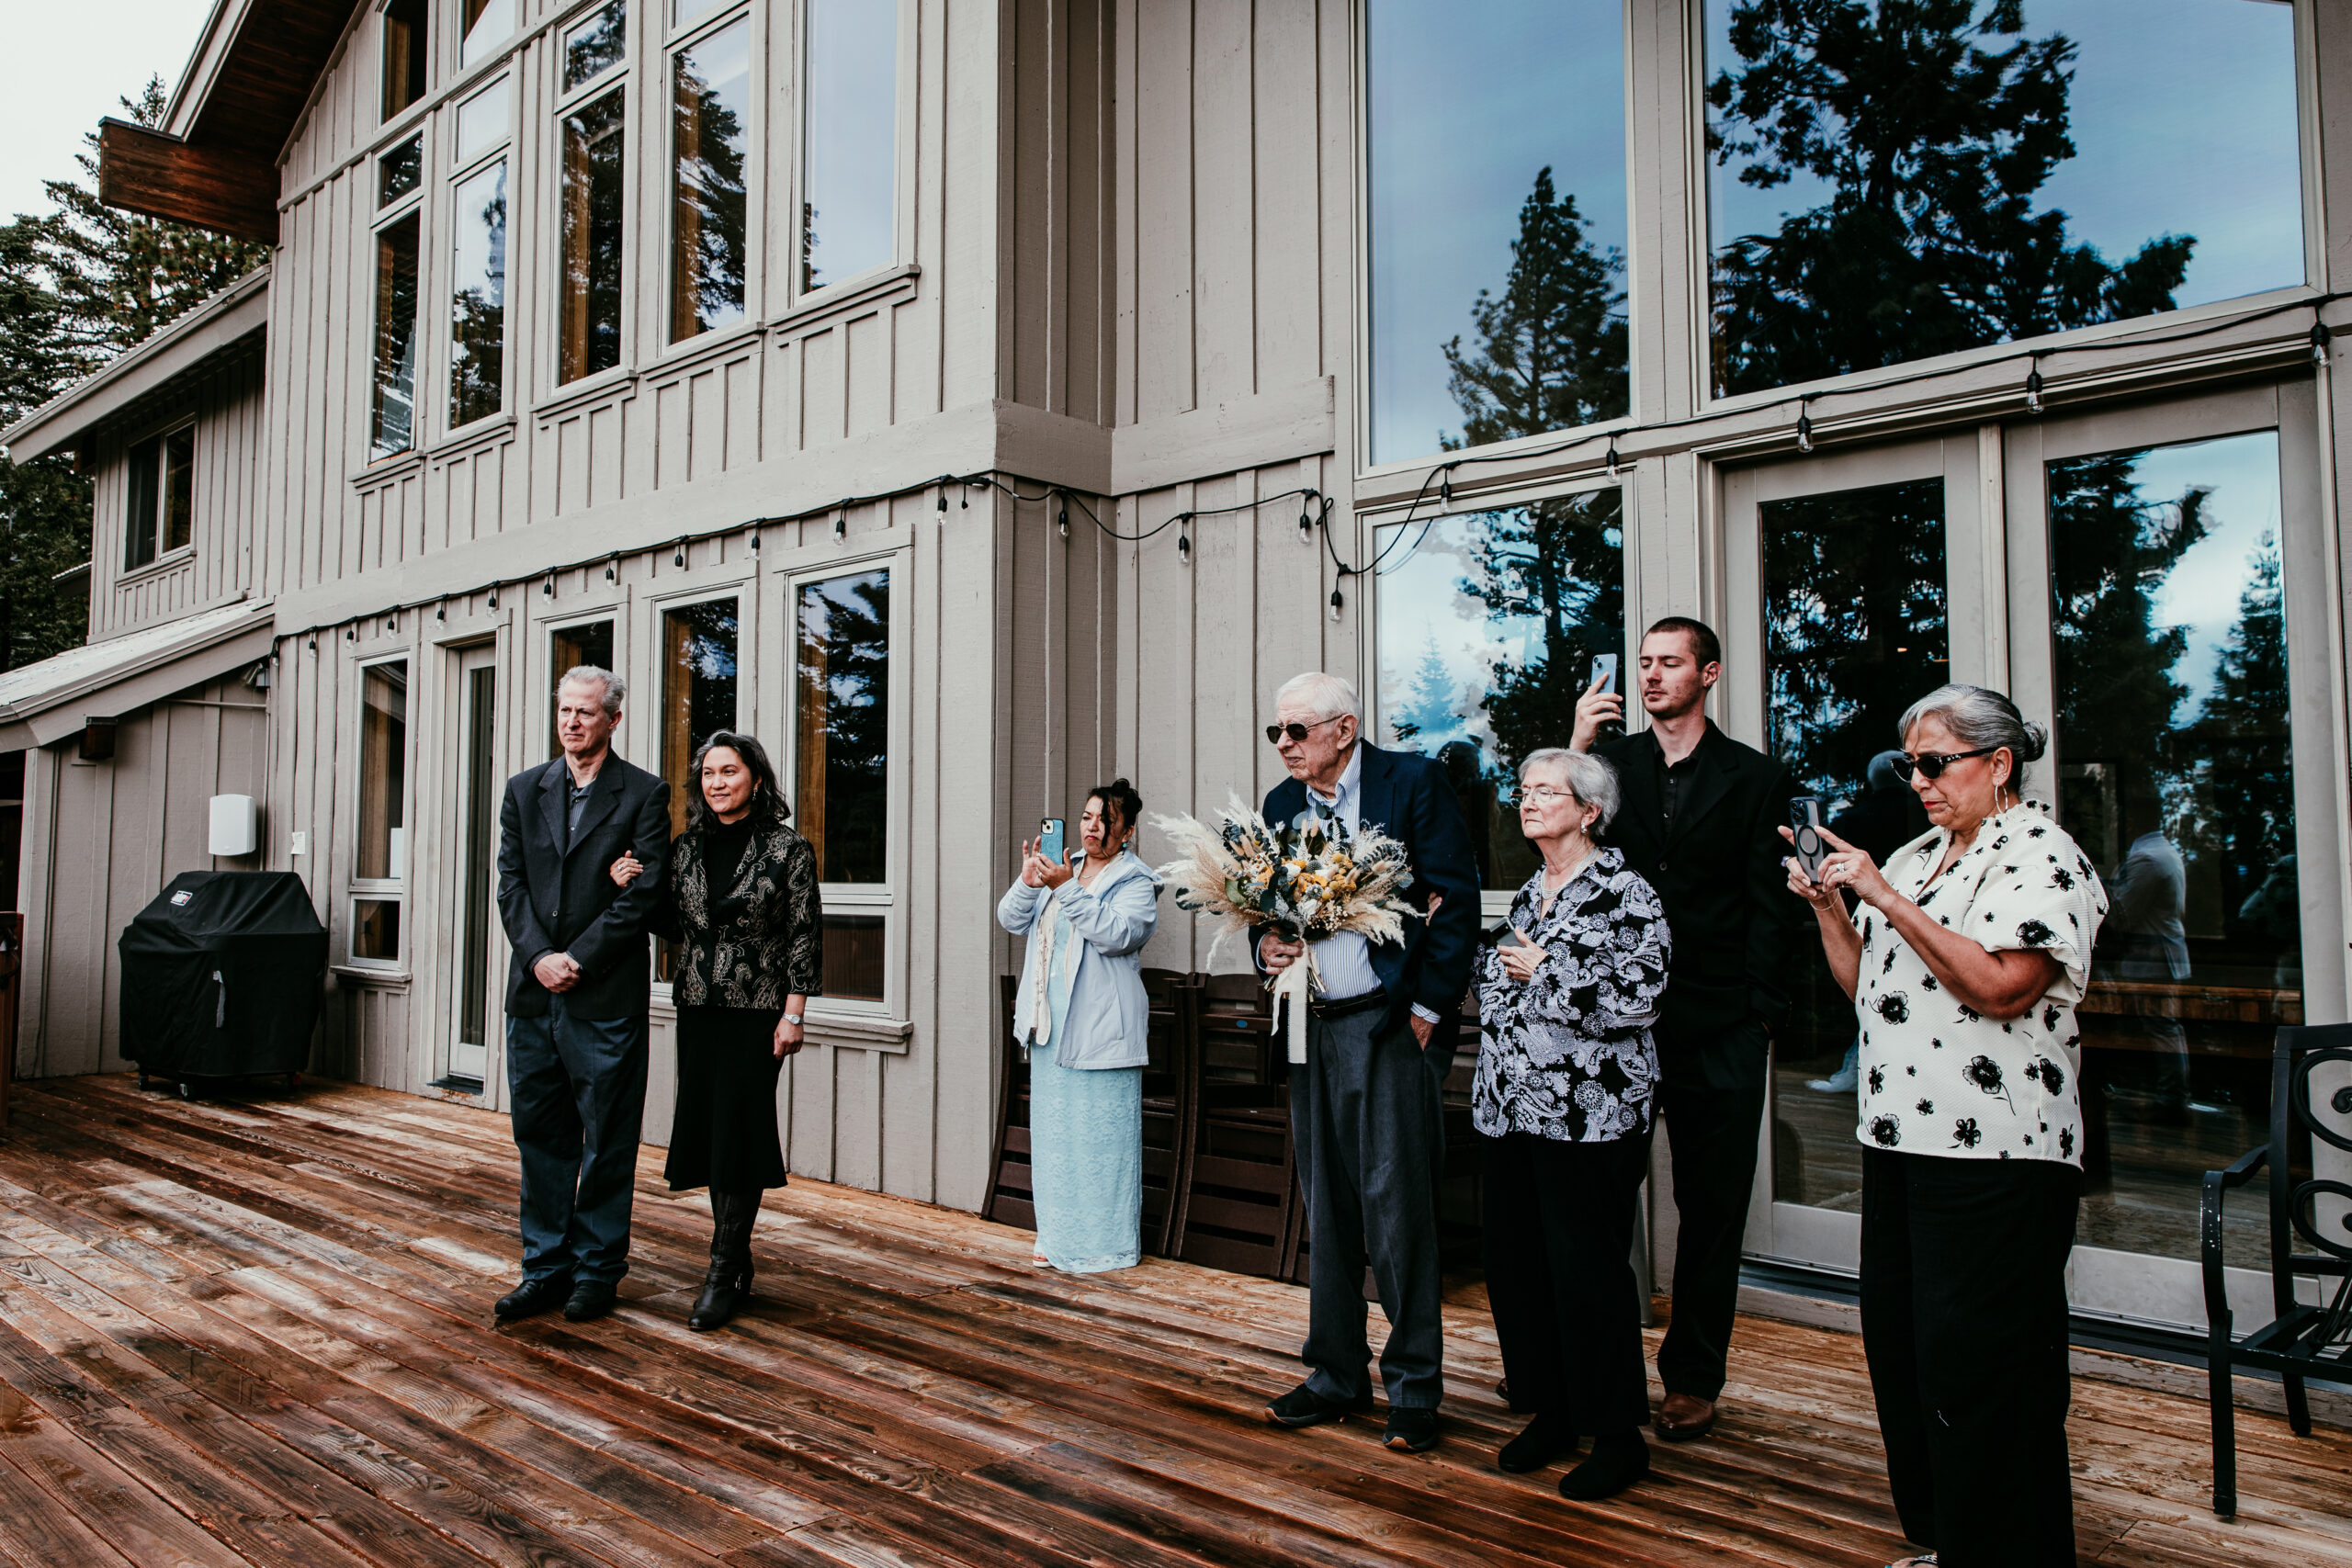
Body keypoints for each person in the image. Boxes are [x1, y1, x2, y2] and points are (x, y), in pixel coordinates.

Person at [1785, 684, 2107, 1568]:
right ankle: (1952, 1539)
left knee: (1986, 1368)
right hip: (1899, 1141)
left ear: (1998, 764)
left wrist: (1884, 895)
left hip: (1998, 1153)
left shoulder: (2041, 853)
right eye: (1909, 765)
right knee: (1910, 1356)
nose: (1919, 781)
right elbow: (1871, 993)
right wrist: (1830, 906)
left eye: (1936, 763)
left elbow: (2003, 986)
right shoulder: (1922, 853)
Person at [1570, 616, 1792, 1442]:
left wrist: (1760, 1016)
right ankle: (1598, 1365)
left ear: (1711, 674)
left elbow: (1772, 907)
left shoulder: (1756, 777)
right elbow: (1562, 845)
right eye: (1647, 663)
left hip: (1720, 1025)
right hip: (1620, 1028)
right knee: (1597, 1195)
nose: (1654, 676)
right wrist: (1577, 743)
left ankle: (1694, 1375)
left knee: (1711, 1208)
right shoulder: (1612, 767)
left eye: (1671, 663)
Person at [1257, 671, 1480, 1453]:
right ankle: (1335, 1373)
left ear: (1344, 730)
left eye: (1296, 730)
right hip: (1308, 1027)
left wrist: (1425, 1014)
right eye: (1276, 732)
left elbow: (1457, 901)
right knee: (1330, 1204)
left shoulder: (1411, 785)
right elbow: (1273, 913)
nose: (1283, 744)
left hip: (1389, 1029)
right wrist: (1268, 945)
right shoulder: (1282, 807)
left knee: (1399, 1210)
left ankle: (1414, 1386)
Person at [1476, 748, 1669, 1502]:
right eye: (1523, 791)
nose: (1527, 802)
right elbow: (1497, 976)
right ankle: (1553, 1410)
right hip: (1512, 1109)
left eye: (1545, 792)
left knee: (1587, 1272)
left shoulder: (1627, 892)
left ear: (1589, 810)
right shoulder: (1531, 889)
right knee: (1518, 1266)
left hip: (1592, 1115)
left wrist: (1547, 975)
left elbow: (1642, 995)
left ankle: (1618, 1434)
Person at [608, 732, 820, 1331]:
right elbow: (677, 926)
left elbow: (804, 933)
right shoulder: (687, 848)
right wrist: (633, 885)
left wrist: (795, 1012)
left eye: (730, 770)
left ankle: (721, 1270)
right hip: (700, 1003)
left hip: (759, 1009)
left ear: (756, 777)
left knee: (741, 1132)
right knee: (714, 1134)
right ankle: (735, 1259)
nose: (718, 781)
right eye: (708, 772)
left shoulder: (788, 848)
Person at [492, 666, 672, 1325]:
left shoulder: (645, 795)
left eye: (586, 712)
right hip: (534, 997)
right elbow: (510, 885)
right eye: (565, 710)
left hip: (604, 1001)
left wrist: (579, 958)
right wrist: (539, 957)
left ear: (613, 719)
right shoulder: (522, 790)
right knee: (540, 1136)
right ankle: (544, 1268)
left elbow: (645, 894)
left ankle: (598, 1271)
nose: (572, 722)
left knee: (607, 1140)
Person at [996, 779, 1162, 1273]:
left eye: (1106, 821)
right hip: (1049, 1026)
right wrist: (1029, 881)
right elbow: (1010, 919)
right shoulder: (1059, 869)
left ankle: (1104, 1247)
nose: (1094, 827)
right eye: (1088, 817)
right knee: (1055, 1138)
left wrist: (1064, 886)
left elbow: (1117, 934)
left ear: (1128, 831)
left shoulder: (1137, 880)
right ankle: (1056, 1237)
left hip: (1101, 1029)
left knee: (1101, 1142)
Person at [1810, 750, 1930, 1095]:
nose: (1921, 780)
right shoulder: (1919, 820)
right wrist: (1821, 902)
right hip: (1865, 925)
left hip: (1870, 918)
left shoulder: (1863, 820)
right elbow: (1857, 983)